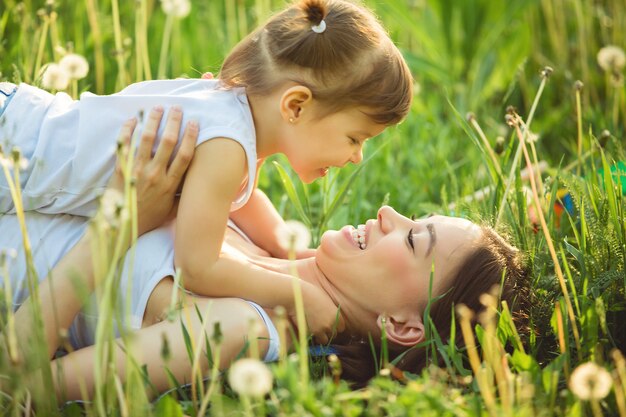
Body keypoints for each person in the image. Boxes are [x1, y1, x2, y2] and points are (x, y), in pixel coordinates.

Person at [1, 107, 529, 402]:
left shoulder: (248, 327)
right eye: (414, 217)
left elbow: (24, 384)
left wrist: (120, 224)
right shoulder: (273, 245)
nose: (388, 212)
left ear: (403, 327)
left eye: (413, 239)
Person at [0, 0, 413, 341]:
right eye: (356, 138)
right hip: (14, 151)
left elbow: (240, 198)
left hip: (21, 123)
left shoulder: (233, 116)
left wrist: (285, 250)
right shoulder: (227, 145)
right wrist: (297, 293)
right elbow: (197, 267)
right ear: (296, 106)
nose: (357, 156)